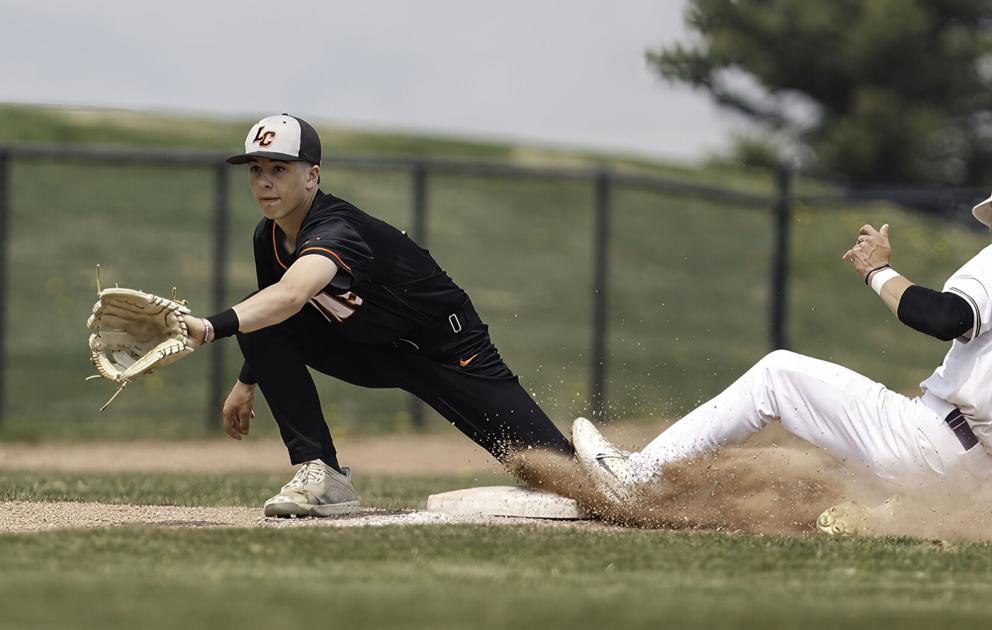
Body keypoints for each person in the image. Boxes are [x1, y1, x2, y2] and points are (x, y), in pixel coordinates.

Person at [179, 114, 574, 517]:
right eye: (256, 169)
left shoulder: (337, 228)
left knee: (552, 465)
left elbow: (293, 294)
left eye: (279, 168)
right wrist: (247, 382)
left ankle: (625, 479)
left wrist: (208, 328)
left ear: (312, 175)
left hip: (448, 350)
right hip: (372, 350)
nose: (264, 181)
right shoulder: (269, 236)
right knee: (257, 308)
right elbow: (272, 310)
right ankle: (323, 473)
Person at [572, 195, 992, 531]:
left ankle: (636, 482)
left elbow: (945, 317)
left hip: (934, 444)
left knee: (778, 375)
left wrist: (877, 271)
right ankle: (886, 515)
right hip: (975, 485)